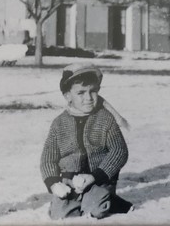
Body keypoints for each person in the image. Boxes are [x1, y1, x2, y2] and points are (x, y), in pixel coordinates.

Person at [40, 63, 133, 219]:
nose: (88, 98)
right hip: (70, 181)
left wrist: (95, 176)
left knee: (94, 209)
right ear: (67, 96)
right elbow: (48, 158)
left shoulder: (105, 119)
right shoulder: (59, 123)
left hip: (98, 179)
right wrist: (54, 183)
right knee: (60, 215)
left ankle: (111, 200)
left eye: (93, 91)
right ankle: (68, 202)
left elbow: (119, 151)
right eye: (81, 93)